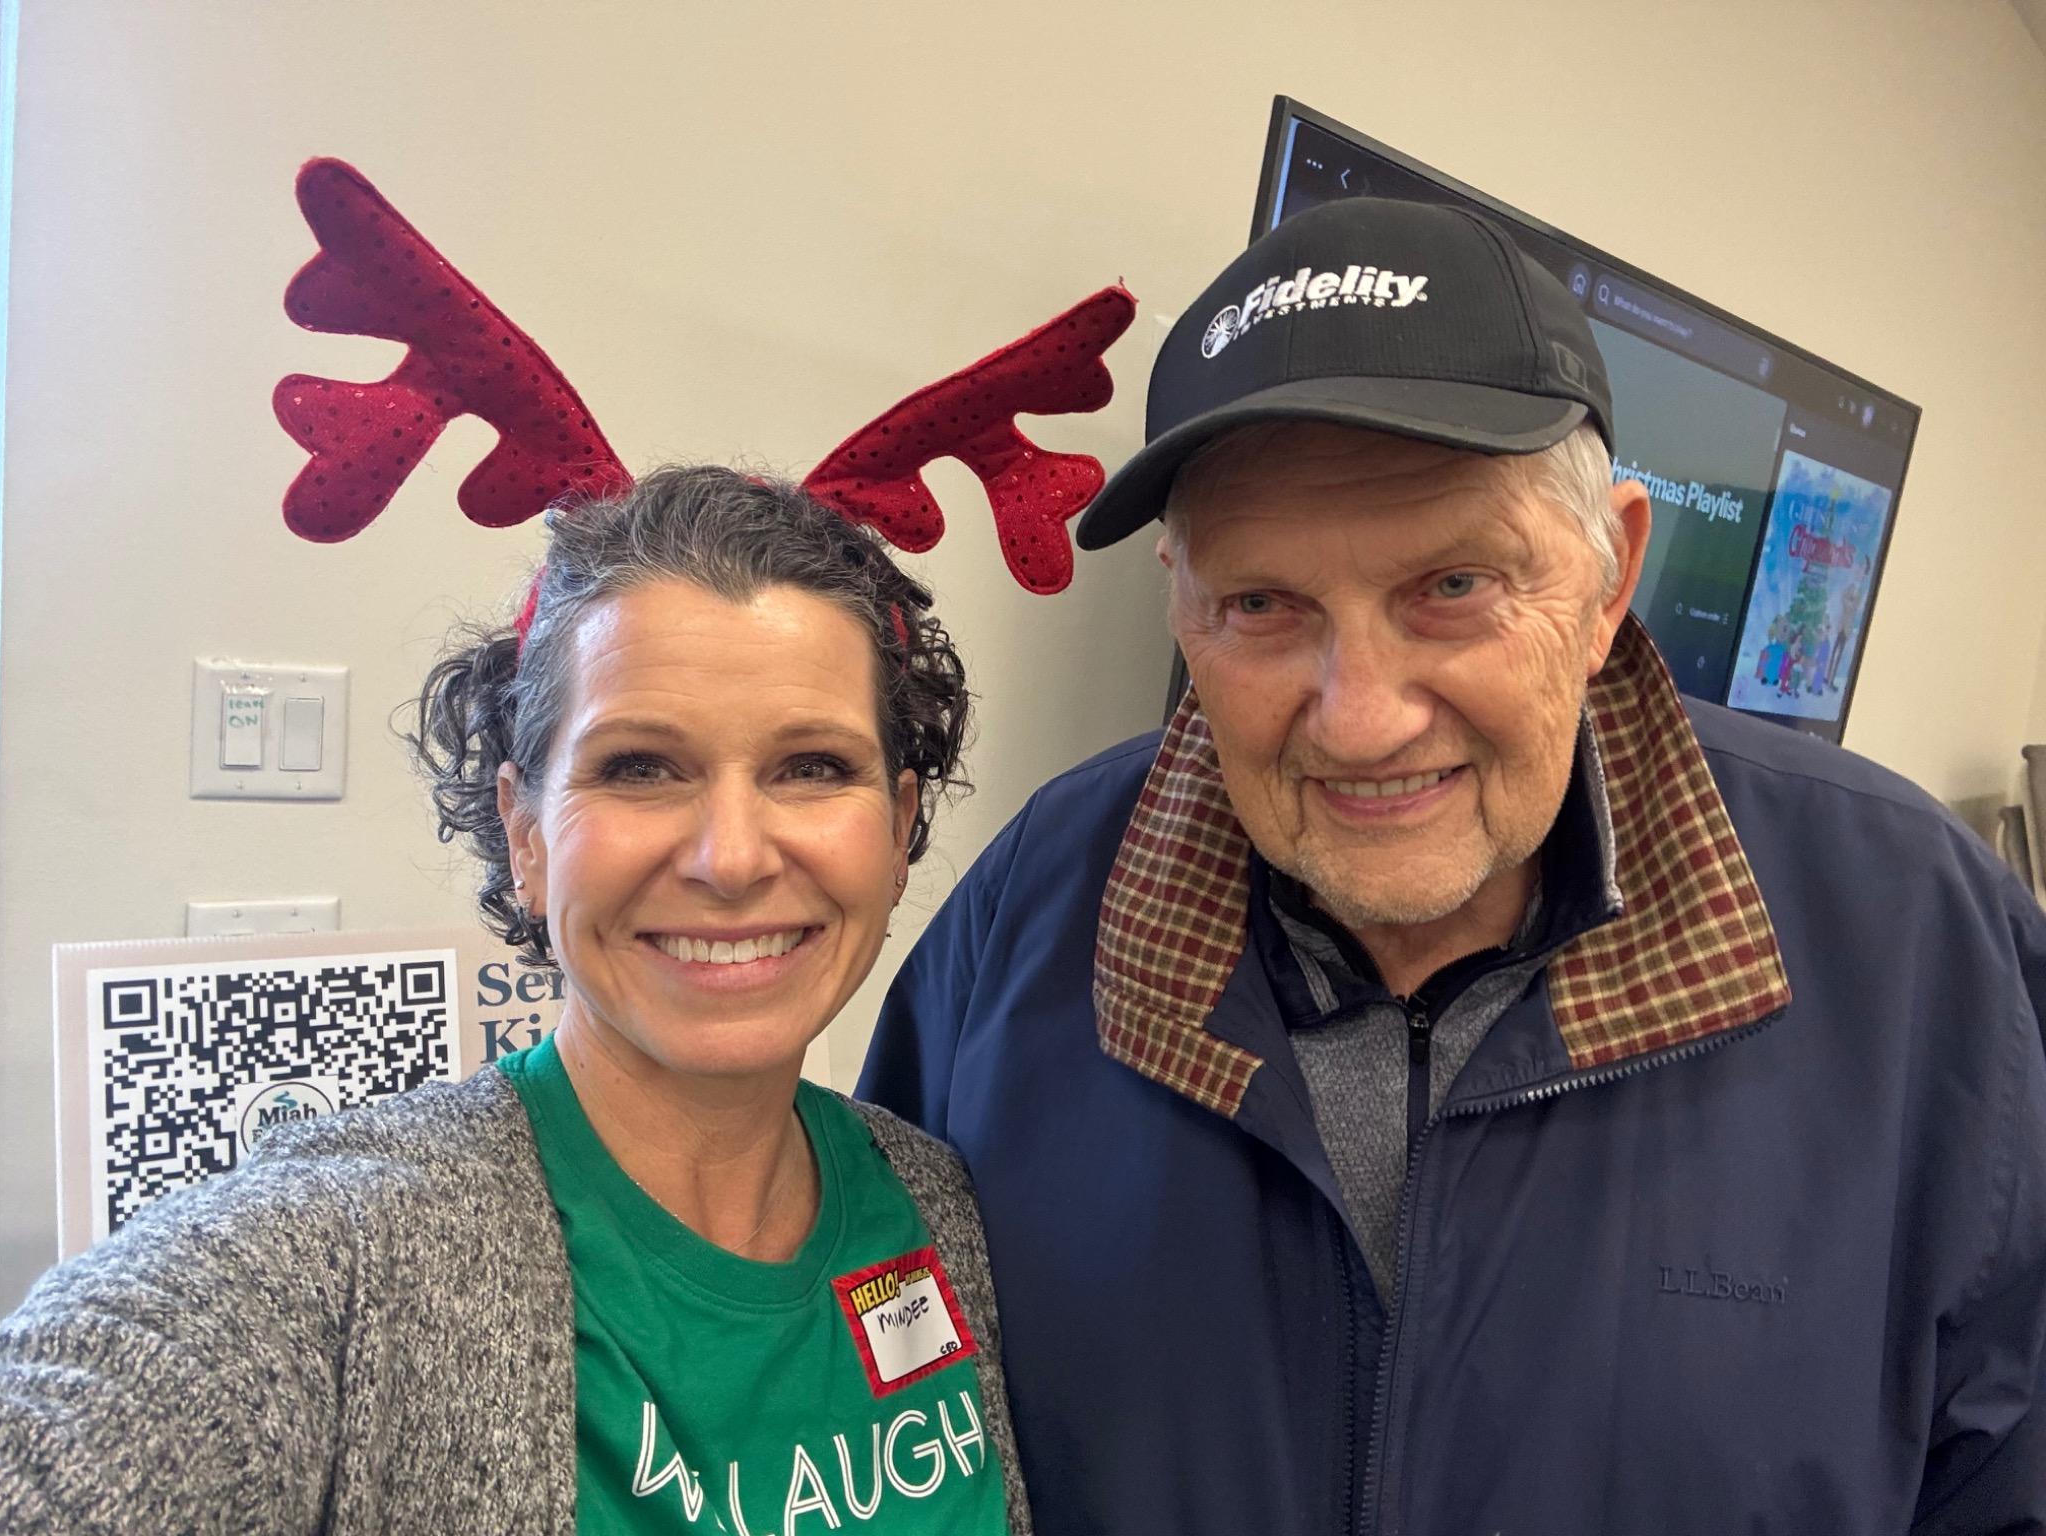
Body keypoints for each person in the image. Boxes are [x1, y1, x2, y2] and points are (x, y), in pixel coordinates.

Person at [860, 197, 2046, 1534]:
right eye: (1261, 605)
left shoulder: (1920, 946)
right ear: (1183, 606)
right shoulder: (1029, 920)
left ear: (1610, 587)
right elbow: (884, 1412)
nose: (1362, 717)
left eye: (1456, 587)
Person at [0, 467, 1032, 1536]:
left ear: (898, 825)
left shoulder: (934, 1200)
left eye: (812, 766)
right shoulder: (344, 1252)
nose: (730, 859)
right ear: (525, 834)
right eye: (638, 767)